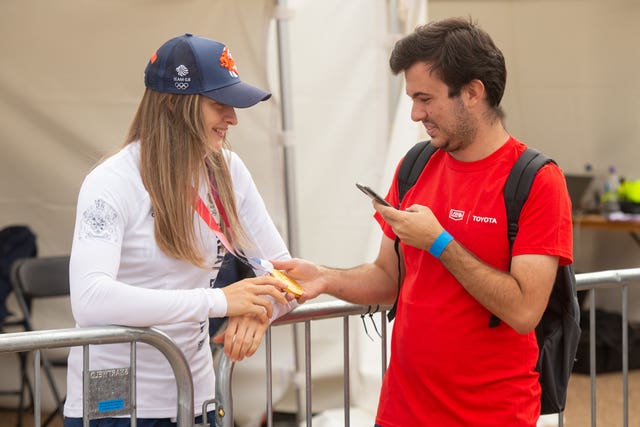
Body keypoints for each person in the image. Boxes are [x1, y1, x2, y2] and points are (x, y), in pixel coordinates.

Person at [273, 17, 573, 426]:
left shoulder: (537, 180)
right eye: (412, 99)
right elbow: (387, 277)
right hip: (402, 411)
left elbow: (523, 311)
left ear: (472, 92)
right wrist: (325, 278)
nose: (415, 114)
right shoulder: (416, 165)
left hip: (493, 415)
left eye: (425, 98)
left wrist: (439, 243)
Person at [64, 33, 298, 426]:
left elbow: (284, 272)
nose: (233, 118)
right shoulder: (111, 181)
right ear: (174, 105)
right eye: (219, 104)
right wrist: (221, 303)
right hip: (116, 410)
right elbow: (91, 300)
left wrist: (260, 311)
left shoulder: (228, 169)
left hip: (196, 401)